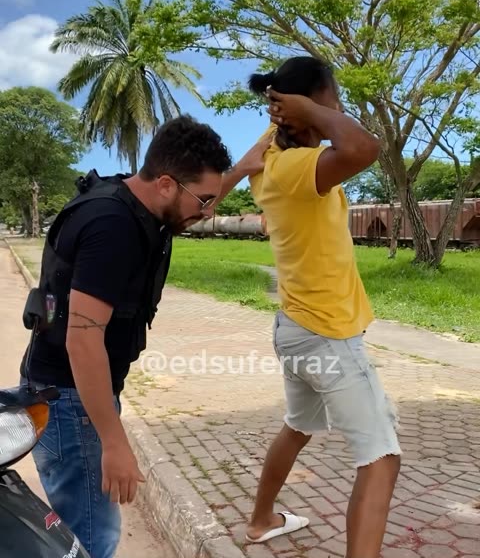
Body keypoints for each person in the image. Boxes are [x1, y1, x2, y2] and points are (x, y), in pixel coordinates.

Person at [19, 114, 270, 558]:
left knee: (84, 530)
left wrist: (243, 167)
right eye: (204, 200)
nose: (208, 211)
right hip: (72, 403)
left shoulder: (137, 198)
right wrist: (114, 441)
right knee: (91, 538)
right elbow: (83, 339)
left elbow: (195, 197)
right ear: (167, 184)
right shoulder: (112, 227)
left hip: (68, 395)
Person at [242, 57, 401, 558]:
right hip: (327, 335)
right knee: (381, 458)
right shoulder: (295, 169)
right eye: (334, 101)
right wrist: (310, 110)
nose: (340, 110)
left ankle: (262, 520)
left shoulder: (274, 159)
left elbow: (338, 142)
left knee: (299, 426)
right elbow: (364, 147)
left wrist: (298, 112)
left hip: (296, 328)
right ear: (307, 106)